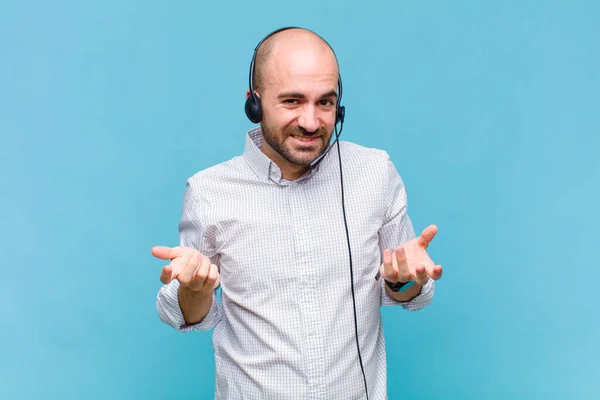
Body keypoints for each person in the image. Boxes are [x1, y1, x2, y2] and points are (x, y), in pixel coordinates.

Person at [153, 27, 443, 399]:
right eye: (292, 101)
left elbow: (410, 288)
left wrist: (403, 279)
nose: (310, 122)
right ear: (253, 103)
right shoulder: (209, 193)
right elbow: (190, 315)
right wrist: (195, 290)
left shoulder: (374, 172)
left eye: (325, 102)